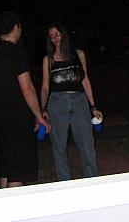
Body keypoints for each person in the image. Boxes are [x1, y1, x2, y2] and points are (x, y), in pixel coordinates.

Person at [0, 11, 50, 188]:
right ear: (16, 28)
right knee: (17, 169)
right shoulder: (16, 52)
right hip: (16, 117)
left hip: (0, 116)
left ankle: (4, 203)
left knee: (7, 165)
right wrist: (39, 116)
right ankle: (14, 205)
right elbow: (27, 88)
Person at [40, 23, 102, 181]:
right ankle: (65, 185)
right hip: (57, 103)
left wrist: (93, 106)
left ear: (64, 34)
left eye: (57, 34)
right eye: (52, 36)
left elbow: (85, 80)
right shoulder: (48, 60)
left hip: (79, 101)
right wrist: (43, 108)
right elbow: (45, 87)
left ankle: (91, 183)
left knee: (87, 147)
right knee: (59, 149)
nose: (55, 38)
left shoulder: (78, 54)